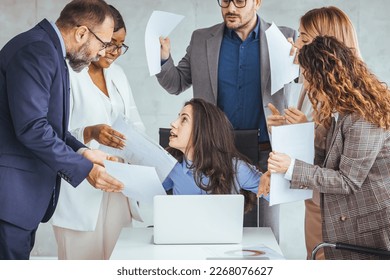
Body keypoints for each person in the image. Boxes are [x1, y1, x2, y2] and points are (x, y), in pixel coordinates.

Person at [157, 0, 297, 240]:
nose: (231, 8)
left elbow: (306, 83)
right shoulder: (201, 39)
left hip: (265, 151)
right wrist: (162, 59)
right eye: (224, 1)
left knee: (263, 234)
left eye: (240, 1)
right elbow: (176, 83)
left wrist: (304, 62)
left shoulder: (284, 37)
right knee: (210, 231)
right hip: (213, 150)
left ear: (257, 2)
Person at [0, 0, 124, 260]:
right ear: (81, 33)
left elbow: (50, 125)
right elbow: (33, 128)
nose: (101, 54)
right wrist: (85, 170)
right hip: (10, 198)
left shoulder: (49, 50)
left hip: (19, 199)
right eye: (102, 44)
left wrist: (82, 152)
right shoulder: (38, 50)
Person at [268, 35, 390, 260]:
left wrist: (292, 167)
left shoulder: (363, 118)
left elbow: (347, 180)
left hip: (370, 231)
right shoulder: (343, 112)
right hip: (351, 225)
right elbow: (327, 162)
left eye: (309, 78)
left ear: (326, 77)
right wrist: (292, 134)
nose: (308, 86)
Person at [266, 6, 361, 259]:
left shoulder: (353, 99)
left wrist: (304, 132)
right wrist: (287, 131)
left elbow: (342, 160)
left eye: (304, 38)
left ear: (327, 45)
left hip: (338, 208)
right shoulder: (309, 85)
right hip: (315, 198)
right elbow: (312, 146)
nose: (295, 43)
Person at [51, 5, 144, 260]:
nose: (114, 52)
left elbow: (135, 125)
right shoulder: (67, 73)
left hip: (118, 188)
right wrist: (90, 132)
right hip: (79, 187)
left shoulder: (119, 75)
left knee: (118, 262)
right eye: (110, 43)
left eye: (121, 45)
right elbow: (53, 130)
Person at [163, 98, 269, 213]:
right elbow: (145, 193)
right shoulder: (171, 166)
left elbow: (277, 194)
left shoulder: (237, 169)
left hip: (224, 230)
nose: (173, 123)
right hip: (181, 230)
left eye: (184, 119)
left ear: (203, 131)